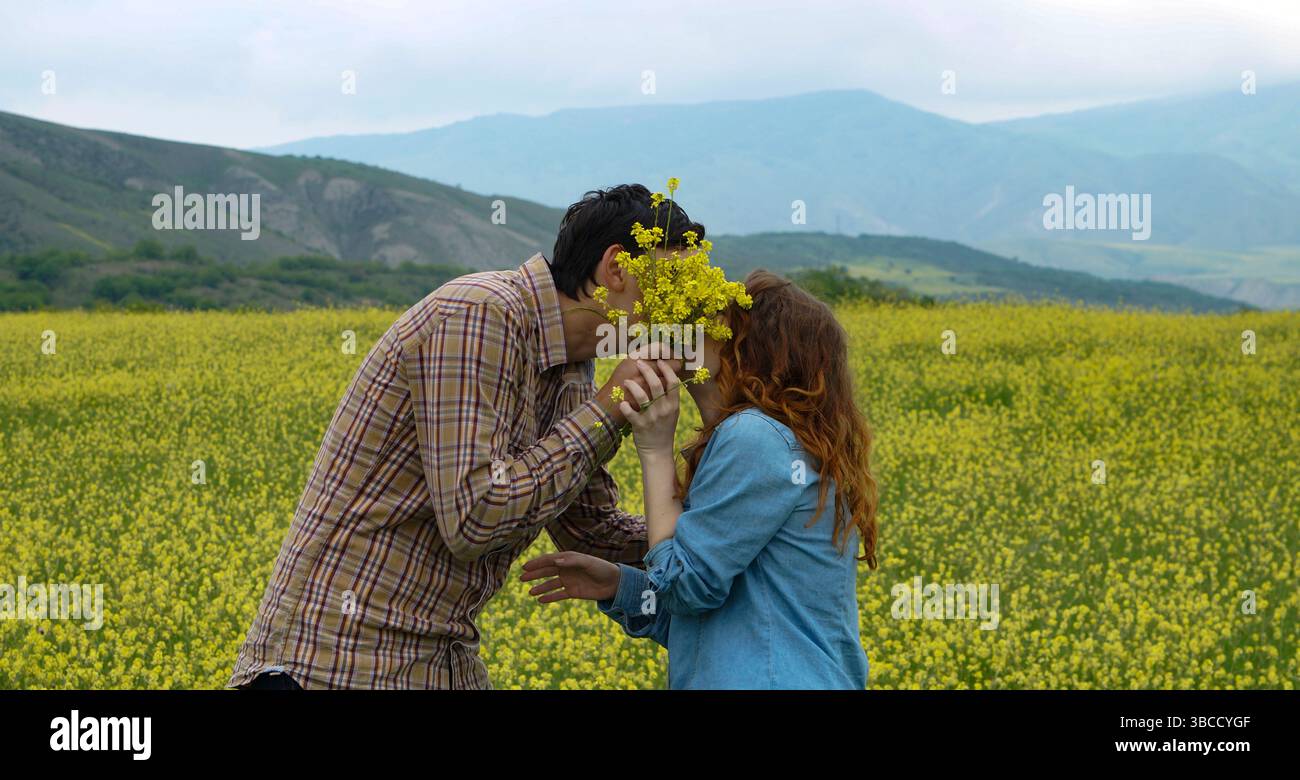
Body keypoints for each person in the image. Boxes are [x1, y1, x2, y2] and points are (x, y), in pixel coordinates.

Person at [228, 184, 701, 689]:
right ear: (616, 268)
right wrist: (610, 407)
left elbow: (591, 530)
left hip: (435, 663)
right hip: (335, 662)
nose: (689, 304)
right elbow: (476, 517)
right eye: (677, 280)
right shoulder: (481, 315)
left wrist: (716, 534)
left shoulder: (573, 368)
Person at [522, 271, 878, 689]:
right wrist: (620, 585)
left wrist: (655, 450)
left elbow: (686, 588)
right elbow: (714, 623)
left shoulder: (755, 438)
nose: (693, 330)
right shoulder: (764, 440)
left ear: (752, 347)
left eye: (717, 322)